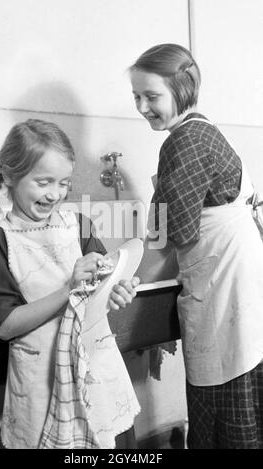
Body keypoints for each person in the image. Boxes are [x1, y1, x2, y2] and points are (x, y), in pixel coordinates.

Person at [0, 118, 140, 449]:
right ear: (9, 176)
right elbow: (5, 326)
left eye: (64, 183)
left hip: (96, 372)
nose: (55, 194)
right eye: (43, 182)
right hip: (42, 384)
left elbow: (98, 292)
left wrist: (117, 290)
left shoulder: (79, 226)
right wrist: (68, 290)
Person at [129, 43, 263, 449]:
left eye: (151, 96)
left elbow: (173, 233)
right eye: (136, 96)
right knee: (243, 385)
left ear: (182, 89)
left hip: (224, 285)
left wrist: (124, 271)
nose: (141, 107)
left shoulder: (183, 142)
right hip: (238, 278)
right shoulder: (202, 130)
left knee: (225, 394)